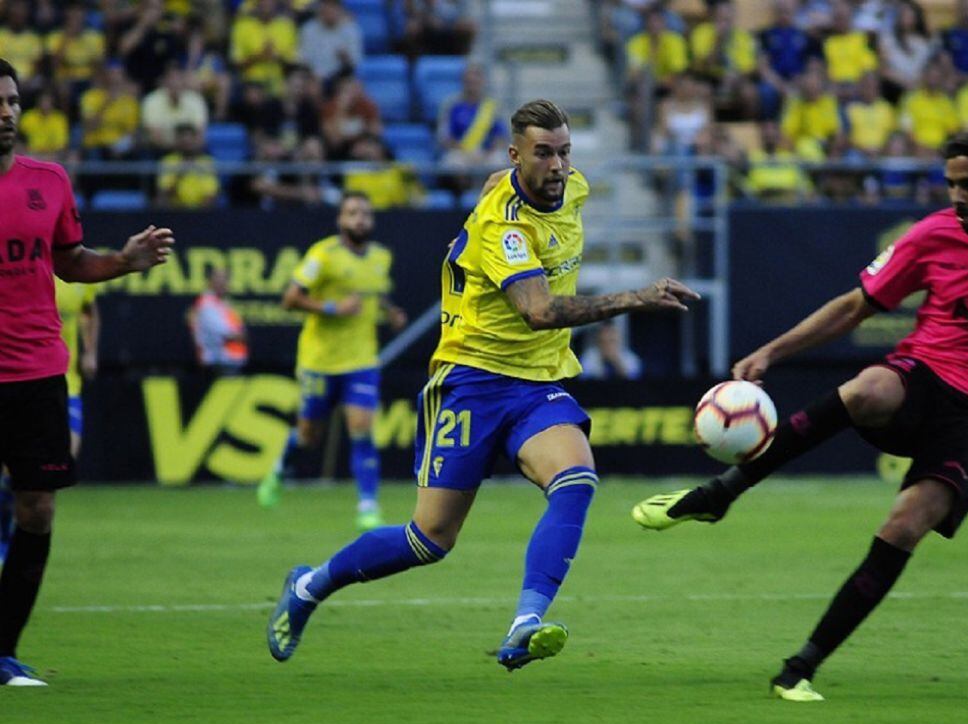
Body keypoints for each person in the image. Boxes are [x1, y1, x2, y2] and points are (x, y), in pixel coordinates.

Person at [632, 127, 968, 702]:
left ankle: (801, 666)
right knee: (869, 388)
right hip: (926, 373)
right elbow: (853, 308)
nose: (958, 197)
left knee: (903, 525)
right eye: (950, 184)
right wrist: (772, 351)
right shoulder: (933, 235)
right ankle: (723, 491)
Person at [265, 99, 699, 671]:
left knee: (576, 478)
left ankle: (525, 622)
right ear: (517, 154)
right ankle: (308, 587)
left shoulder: (572, 187)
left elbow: (504, 181)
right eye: (544, 154)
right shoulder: (505, 225)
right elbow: (538, 312)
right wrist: (635, 297)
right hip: (469, 380)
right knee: (429, 540)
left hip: (536, 384)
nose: (559, 167)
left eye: (565, 152)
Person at [0, 58, 174, 687]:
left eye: (14, 101)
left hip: (37, 370)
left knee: (37, 508)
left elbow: (70, 263)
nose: (7, 112)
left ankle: (2, 650)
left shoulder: (48, 182)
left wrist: (124, 262)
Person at [257, 191, 408, 531]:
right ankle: (279, 468)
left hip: (361, 360)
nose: (360, 219)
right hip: (320, 361)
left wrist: (390, 311)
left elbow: (373, 292)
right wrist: (331, 308)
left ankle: (367, 506)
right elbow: (290, 298)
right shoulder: (323, 255)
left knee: (361, 428)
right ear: (341, 219)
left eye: (365, 214)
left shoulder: (381, 257)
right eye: (353, 213)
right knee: (309, 436)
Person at [54, 278, 100, 458]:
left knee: (67, 457)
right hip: (28, 375)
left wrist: (90, 352)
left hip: (68, 378)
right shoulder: (27, 271)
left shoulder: (78, 272)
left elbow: (90, 311)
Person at [188, 267, 248, 376]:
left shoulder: (222, 302)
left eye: (225, 279)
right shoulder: (207, 304)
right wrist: (240, 336)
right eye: (218, 279)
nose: (223, 283)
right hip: (219, 362)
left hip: (228, 361)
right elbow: (225, 333)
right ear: (210, 281)